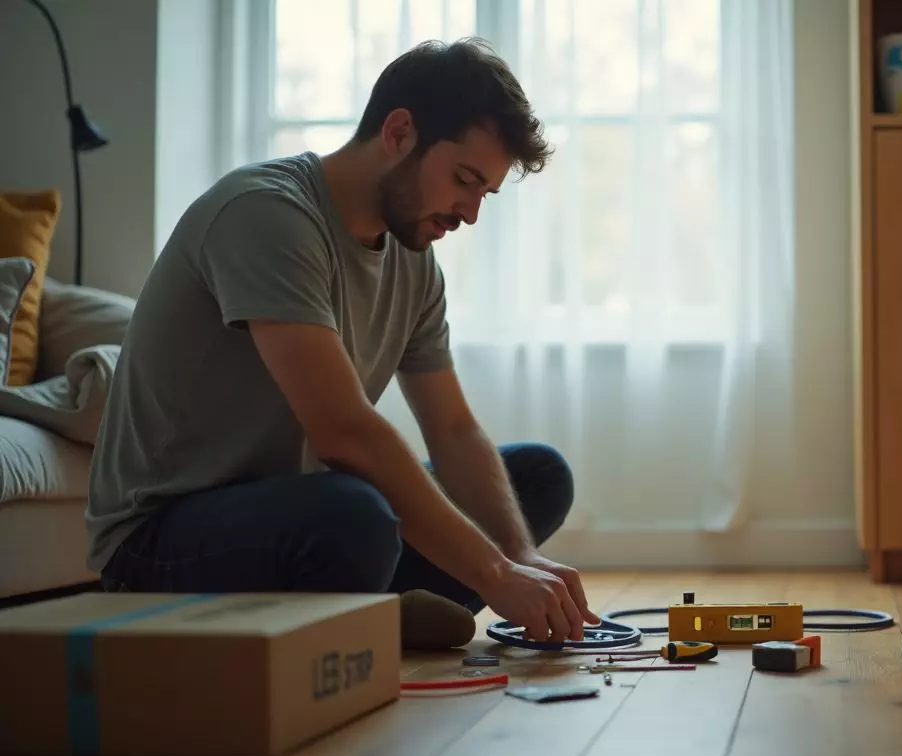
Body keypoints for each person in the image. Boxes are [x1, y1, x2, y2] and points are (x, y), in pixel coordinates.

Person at [85, 38, 599, 647]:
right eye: (464, 180)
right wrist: (491, 573)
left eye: (483, 193)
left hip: (302, 513)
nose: (469, 213)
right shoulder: (267, 214)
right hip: (163, 536)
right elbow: (344, 431)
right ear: (400, 131)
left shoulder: (415, 262)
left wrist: (518, 555)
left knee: (537, 476)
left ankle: (364, 610)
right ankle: (378, 610)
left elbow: (455, 430)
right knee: (354, 517)